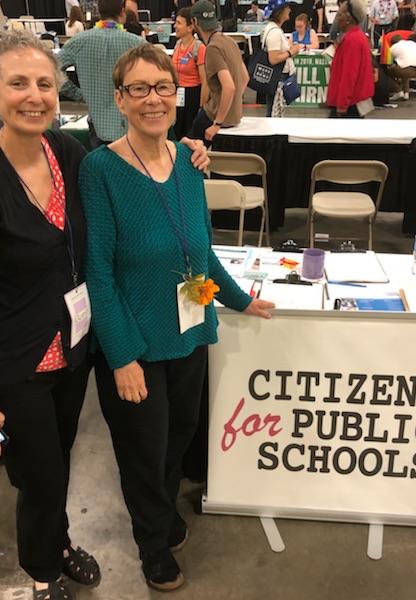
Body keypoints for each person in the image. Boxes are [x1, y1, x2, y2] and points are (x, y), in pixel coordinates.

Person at [80, 43, 274, 593]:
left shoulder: (190, 164)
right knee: (144, 449)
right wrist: (121, 355)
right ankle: (152, 544)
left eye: (163, 87)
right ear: (119, 99)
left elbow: (201, 253)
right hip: (135, 340)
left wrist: (238, 299)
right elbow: (98, 270)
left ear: (178, 93)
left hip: (189, 330)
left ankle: (161, 513)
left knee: (177, 437)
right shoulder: (100, 169)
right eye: (138, 89)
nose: (153, 99)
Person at [0, 29, 101, 600]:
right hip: (16, 364)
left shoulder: (66, 153)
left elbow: (120, 175)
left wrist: (178, 152)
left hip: (71, 348)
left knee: (57, 462)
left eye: (44, 84)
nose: (34, 96)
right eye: (18, 84)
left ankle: (56, 544)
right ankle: (41, 575)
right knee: (40, 478)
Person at [58, 0, 145, 147]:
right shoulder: (137, 43)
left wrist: (77, 94)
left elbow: (52, 68)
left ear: (99, 11)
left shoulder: (79, 41)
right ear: (122, 10)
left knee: (99, 167)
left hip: (97, 125)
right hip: (129, 125)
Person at [188, 0, 249, 142]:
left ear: (195, 21)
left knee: (187, 152)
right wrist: (233, 103)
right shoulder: (230, 41)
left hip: (214, 116)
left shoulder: (213, 48)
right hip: (235, 116)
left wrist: (217, 123)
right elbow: (245, 77)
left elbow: (229, 86)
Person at [326, 0, 374, 117]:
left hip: (349, 104)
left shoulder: (352, 40)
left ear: (348, 18)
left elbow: (349, 75)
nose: (337, 18)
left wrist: (342, 105)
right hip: (353, 102)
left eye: (340, 14)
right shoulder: (357, 37)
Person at [172, 7, 207, 138]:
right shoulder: (178, 45)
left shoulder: (199, 48)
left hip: (193, 95)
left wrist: (201, 107)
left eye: (179, 23)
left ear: (190, 27)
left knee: (189, 134)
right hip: (177, 94)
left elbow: (205, 82)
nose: (175, 26)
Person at [262, 0, 299, 117]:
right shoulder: (275, 32)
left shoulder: (272, 30)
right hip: (278, 78)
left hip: (276, 78)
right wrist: (290, 52)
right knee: (275, 113)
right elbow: (273, 59)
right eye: (287, 8)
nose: (290, 10)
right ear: (281, 11)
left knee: (274, 111)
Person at [387, 33, 416, 99]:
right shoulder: (413, 43)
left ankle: (398, 91)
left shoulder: (393, 48)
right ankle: (406, 93)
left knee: (387, 71)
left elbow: (389, 62)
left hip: (406, 70)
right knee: (405, 67)